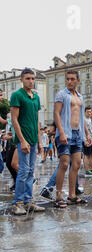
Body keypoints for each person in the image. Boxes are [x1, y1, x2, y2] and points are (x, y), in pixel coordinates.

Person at [54, 70, 92, 208]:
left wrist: (87, 133)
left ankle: (71, 195)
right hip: (65, 133)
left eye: (72, 79)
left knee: (76, 164)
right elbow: (56, 114)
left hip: (77, 134)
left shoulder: (80, 97)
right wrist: (62, 132)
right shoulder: (61, 94)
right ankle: (58, 195)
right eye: (67, 79)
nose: (69, 81)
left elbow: (81, 117)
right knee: (64, 164)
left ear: (77, 80)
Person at [9, 69, 45, 215]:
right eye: (28, 78)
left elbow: (37, 121)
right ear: (21, 80)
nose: (31, 81)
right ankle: (17, 202)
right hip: (23, 139)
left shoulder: (35, 97)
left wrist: (40, 141)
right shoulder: (17, 95)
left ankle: (28, 201)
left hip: (33, 139)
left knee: (31, 171)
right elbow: (14, 119)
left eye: (32, 78)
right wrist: (22, 141)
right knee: (23, 171)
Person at [82, 107, 92, 175]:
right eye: (88, 112)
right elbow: (82, 131)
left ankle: (91, 168)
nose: (89, 113)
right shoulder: (83, 119)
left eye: (90, 112)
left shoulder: (91, 120)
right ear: (85, 112)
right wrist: (84, 139)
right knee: (87, 155)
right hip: (86, 139)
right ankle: (87, 170)